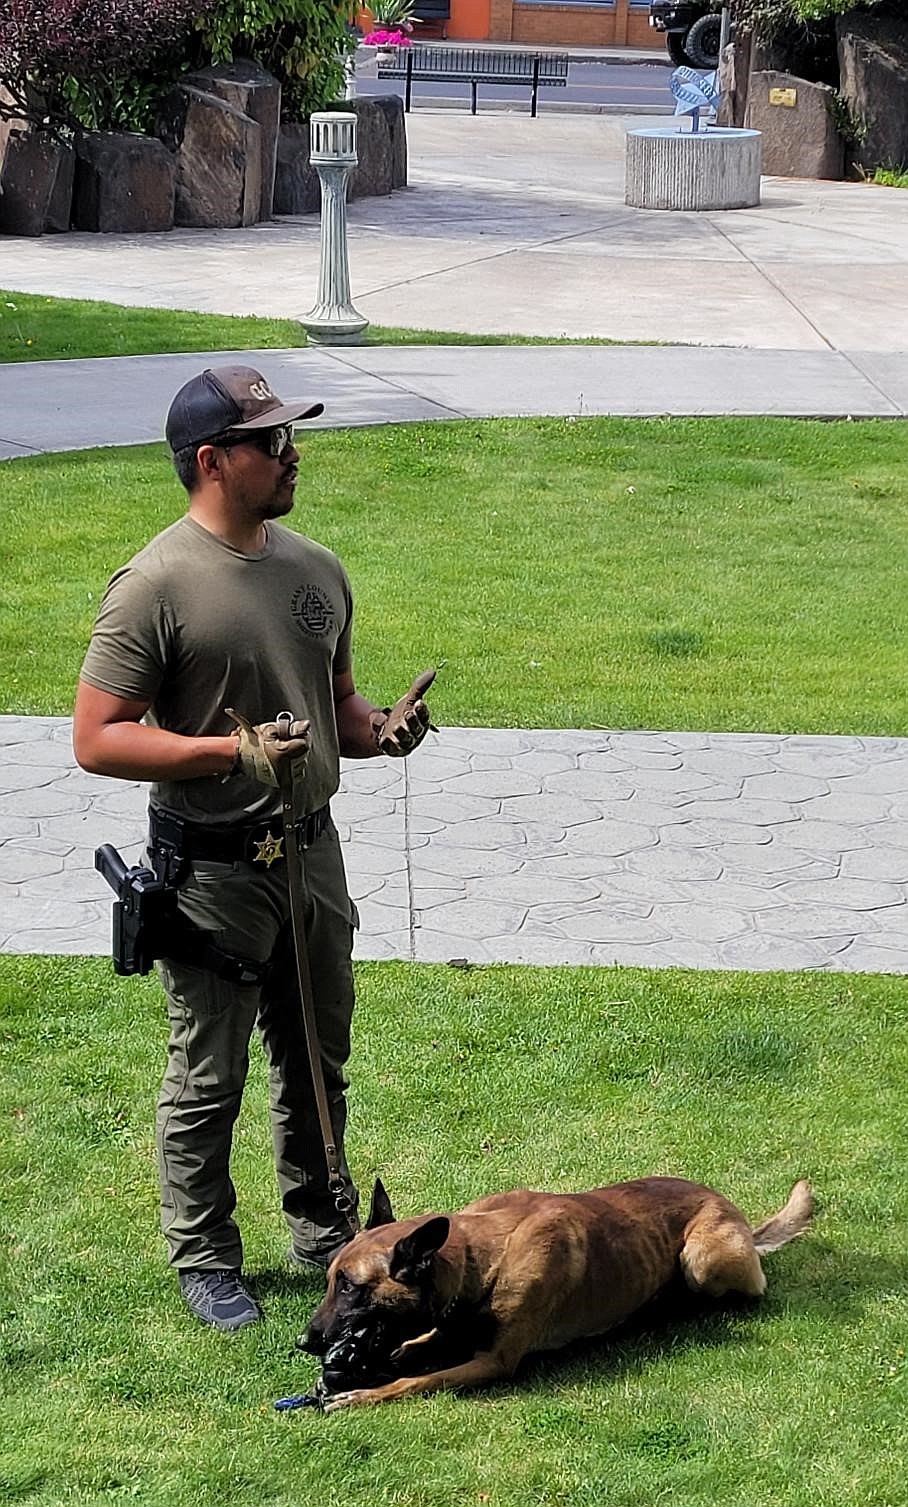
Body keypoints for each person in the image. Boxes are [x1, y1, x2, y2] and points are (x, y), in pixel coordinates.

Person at [73, 366, 434, 1333]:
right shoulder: (153, 585)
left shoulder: (315, 568)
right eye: (269, 442)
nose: (291, 454)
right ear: (211, 461)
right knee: (210, 1070)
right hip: (213, 869)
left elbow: (338, 710)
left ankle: (322, 1233)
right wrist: (223, 751)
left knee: (319, 1058)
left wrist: (381, 727)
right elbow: (98, 736)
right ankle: (204, 1256)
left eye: (287, 437)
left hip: (311, 855)